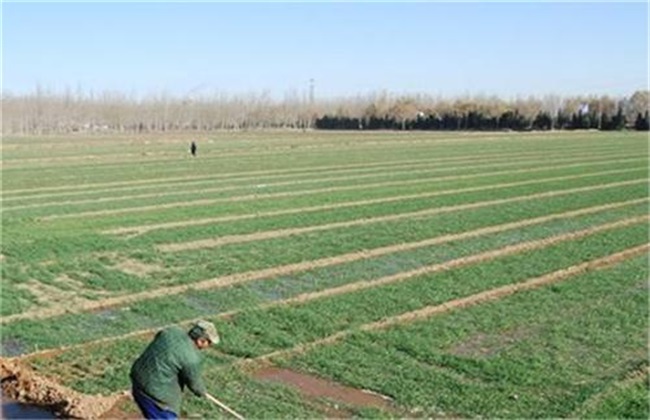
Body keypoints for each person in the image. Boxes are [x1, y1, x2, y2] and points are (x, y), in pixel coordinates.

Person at [130, 320, 219, 419]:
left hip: (137, 380)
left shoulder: (171, 331)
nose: (209, 346)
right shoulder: (191, 358)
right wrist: (202, 392)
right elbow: (194, 384)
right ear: (201, 340)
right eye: (209, 342)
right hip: (155, 396)